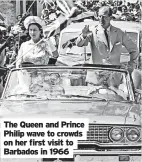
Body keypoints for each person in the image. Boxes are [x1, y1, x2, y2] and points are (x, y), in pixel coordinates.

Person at [76, 6, 139, 73]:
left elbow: (134, 49)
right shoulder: (92, 31)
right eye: (100, 16)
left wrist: (130, 66)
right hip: (96, 76)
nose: (101, 19)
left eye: (104, 17)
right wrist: (83, 35)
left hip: (114, 77)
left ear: (110, 17)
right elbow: (79, 44)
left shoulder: (119, 33)